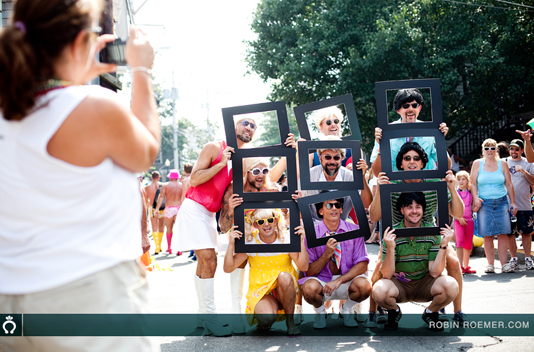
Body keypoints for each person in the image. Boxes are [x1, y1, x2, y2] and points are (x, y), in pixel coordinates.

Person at [0, 1, 158, 350]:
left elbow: (48, 99)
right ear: (77, 43)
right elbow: (146, 151)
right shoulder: (95, 108)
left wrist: (75, 72)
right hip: (85, 296)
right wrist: (141, 71)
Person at [173, 116, 295, 336]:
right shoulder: (214, 147)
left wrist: (288, 153)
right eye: (245, 123)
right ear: (233, 126)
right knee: (209, 260)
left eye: (253, 125)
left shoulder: (242, 159)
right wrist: (220, 164)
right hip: (195, 207)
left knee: (203, 264)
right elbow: (194, 179)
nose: (249, 127)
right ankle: (211, 317)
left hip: (209, 213)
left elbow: (266, 177)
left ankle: (203, 316)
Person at [366, 141, 465, 326]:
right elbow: (374, 215)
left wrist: (452, 188)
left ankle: (457, 310)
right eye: (407, 158)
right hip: (396, 235)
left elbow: (458, 213)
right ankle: (374, 310)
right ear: (400, 163)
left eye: (416, 158)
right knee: (381, 264)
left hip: (430, 234)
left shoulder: (435, 182)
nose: (412, 162)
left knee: (453, 261)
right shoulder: (391, 183)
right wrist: (380, 190)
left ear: (423, 163)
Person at [218, 157, 281, 334]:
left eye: (265, 171)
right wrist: (230, 208)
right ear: (247, 173)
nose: (261, 175)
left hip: (265, 242)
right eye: (256, 171)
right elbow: (223, 227)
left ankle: (281, 310)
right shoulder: (233, 190)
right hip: (242, 242)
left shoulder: (270, 190)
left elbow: (283, 220)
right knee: (238, 269)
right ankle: (235, 313)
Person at [223, 209, 309, 336]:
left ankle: (290, 322)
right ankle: (266, 319)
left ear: (275, 221)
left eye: (269, 220)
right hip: (262, 291)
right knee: (265, 319)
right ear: (256, 225)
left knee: (284, 277)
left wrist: (301, 242)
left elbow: (304, 266)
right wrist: (231, 244)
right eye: (261, 221)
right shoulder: (251, 241)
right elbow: (228, 268)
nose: (266, 224)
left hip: (285, 288)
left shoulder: (285, 238)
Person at [372, 220, 459, 331]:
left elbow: (435, 272)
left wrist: (444, 245)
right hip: (399, 285)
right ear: (402, 210)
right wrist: (390, 247)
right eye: (409, 207)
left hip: (424, 283)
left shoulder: (432, 232)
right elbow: (387, 274)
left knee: (451, 285)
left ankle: (431, 312)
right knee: (379, 290)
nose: (414, 211)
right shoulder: (392, 233)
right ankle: (394, 311)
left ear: (422, 210)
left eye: (417, 207)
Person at [299, 198, 371, 329]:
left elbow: (363, 264)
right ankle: (320, 312)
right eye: (329, 205)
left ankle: (346, 309)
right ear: (320, 211)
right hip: (322, 281)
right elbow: (309, 271)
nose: (334, 208)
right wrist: (327, 254)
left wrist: (339, 281)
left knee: (365, 286)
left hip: (347, 280)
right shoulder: (311, 234)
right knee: (308, 288)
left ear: (341, 209)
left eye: (337, 205)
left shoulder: (354, 230)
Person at [370, 88, 450, 176]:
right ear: (398, 110)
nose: (410, 109)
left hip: (426, 187)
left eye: (414, 105)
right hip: (396, 187)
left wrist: (440, 141)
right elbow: (377, 173)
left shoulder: (431, 130)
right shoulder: (386, 132)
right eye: (405, 106)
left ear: (419, 108)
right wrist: (381, 147)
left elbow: (446, 168)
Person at [470, 138, 516, 274]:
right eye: (487, 148)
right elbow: (472, 183)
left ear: (496, 149)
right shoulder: (477, 164)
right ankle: (490, 264)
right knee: (488, 235)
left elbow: (509, 184)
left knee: (502, 234)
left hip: (501, 202)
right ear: (483, 150)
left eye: (492, 147)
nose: (490, 150)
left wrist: (512, 202)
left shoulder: (502, 164)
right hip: (484, 203)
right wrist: (475, 198)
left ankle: (504, 264)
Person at [504, 139, 534, 270]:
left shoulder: (529, 162)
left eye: (517, 149)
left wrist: (523, 171)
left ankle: (528, 259)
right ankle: (514, 259)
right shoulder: (504, 162)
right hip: (507, 204)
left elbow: (533, 180)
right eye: (512, 149)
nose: (514, 151)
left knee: (526, 233)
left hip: (524, 204)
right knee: (510, 233)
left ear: (522, 150)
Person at [452, 171, 476, 274]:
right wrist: (458, 217)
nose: (461, 181)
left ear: (467, 181)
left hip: (469, 221)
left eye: (463, 179)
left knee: (468, 244)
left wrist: (478, 203)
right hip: (458, 221)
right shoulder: (455, 193)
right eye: (459, 179)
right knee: (459, 243)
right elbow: (451, 209)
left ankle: (466, 266)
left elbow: (474, 207)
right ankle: (460, 266)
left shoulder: (471, 193)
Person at [155, 169, 183, 255]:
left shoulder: (166, 185)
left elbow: (161, 197)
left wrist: (157, 209)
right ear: (178, 177)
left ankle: (170, 248)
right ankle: (179, 249)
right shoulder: (182, 185)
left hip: (169, 208)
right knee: (179, 229)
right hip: (179, 208)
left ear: (170, 177)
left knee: (169, 228)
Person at [145, 171, 165, 254]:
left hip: (152, 208)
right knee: (161, 226)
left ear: (151, 178)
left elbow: (146, 200)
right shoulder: (163, 185)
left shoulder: (148, 187)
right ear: (158, 177)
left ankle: (157, 247)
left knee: (154, 227)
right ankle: (160, 245)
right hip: (162, 208)